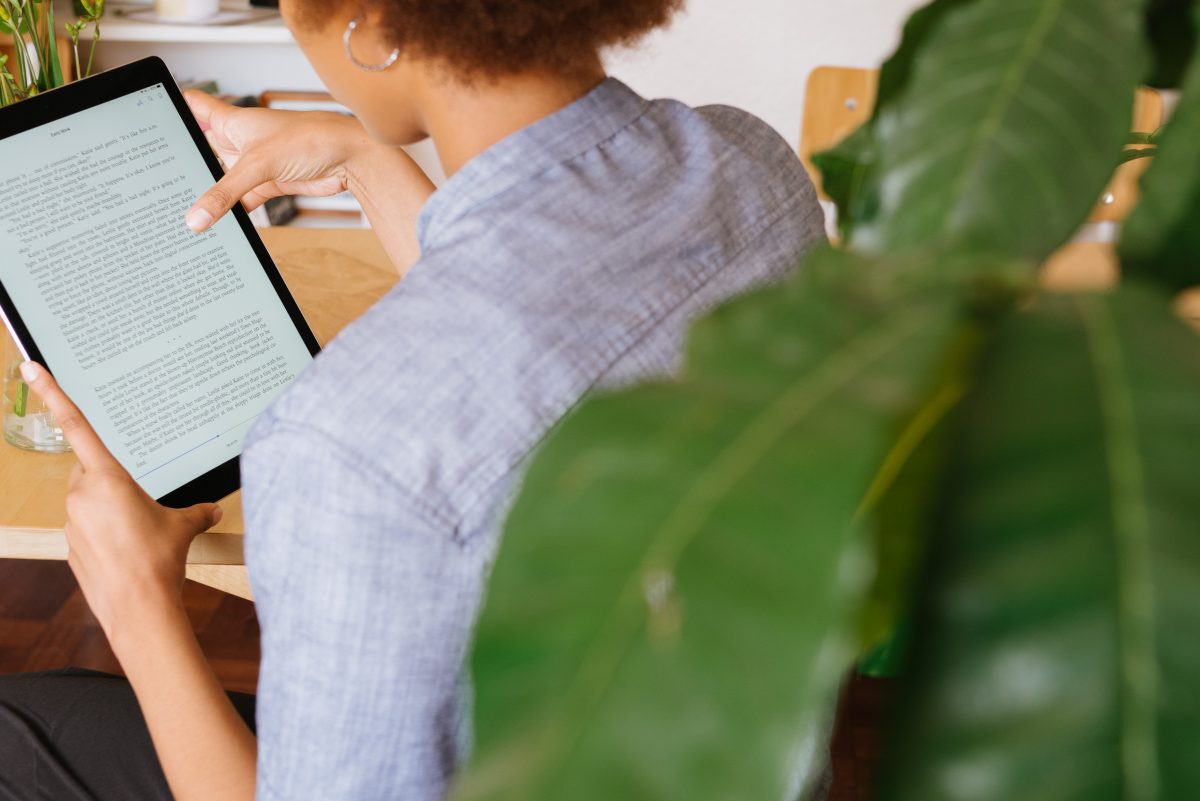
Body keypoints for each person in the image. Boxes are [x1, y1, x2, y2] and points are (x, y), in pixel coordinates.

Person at [0, 0, 825, 799]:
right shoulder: (750, 166)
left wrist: (136, 600)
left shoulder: (343, 445)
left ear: (371, 23)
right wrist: (359, 154)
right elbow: (532, 327)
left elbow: (461, 382)